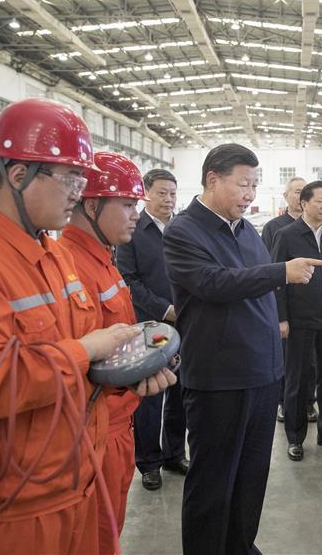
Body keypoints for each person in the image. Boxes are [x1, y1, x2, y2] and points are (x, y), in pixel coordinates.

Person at [0, 99, 159, 554]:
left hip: (76, 479)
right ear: (19, 175)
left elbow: (78, 367)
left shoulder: (56, 254)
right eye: (70, 179)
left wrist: (122, 377)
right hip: (8, 510)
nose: (79, 193)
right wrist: (86, 349)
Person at [163, 143, 322, 555]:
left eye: (255, 185)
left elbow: (256, 291)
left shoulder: (245, 231)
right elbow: (213, 284)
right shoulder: (185, 231)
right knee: (213, 483)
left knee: (251, 478)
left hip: (261, 375)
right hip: (219, 379)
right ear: (213, 179)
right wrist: (280, 272)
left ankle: (240, 546)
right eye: (243, 184)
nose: (250, 194)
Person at [58, 152, 176, 552]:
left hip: (117, 424)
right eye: (127, 205)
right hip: (94, 434)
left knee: (108, 533)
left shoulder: (103, 260)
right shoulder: (70, 267)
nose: (135, 215)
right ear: (91, 206)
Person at [116, 168, 189, 492]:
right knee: (150, 394)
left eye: (172, 193)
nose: (168, 199)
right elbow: (129, 281)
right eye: (161, 193)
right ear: (146, 193)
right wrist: (164, 308)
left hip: (186, 321)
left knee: (180, 390)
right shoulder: (134, 229)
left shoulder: (182, 228)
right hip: (149, 325)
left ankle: (175, 452)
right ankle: (148, 461)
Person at [271, 181, 322, 462]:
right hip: (299, 322)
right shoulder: (287, 235)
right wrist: (282, 319)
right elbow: (276, 281)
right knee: (297, 381)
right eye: (320, 201)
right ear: (304, 204)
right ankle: (295, 438)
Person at [261, 176, 317, 424]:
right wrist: (279, 315)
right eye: (295, 192)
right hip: (288, 306)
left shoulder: (318, 227)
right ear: (286, 196)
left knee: (312, 362)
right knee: (288, 361)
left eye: (304, 191)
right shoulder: (275, 228)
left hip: (313, 310)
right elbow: (268, 270)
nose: (299, 196)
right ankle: (286, 403)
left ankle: (308, 403)